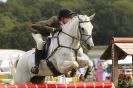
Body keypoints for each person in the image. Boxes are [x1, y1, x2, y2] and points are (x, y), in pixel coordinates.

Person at [30, 8, 75, 74]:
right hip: (37, 30)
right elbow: (43, 26)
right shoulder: (54, 19)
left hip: (46, 34)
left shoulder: (66, 25)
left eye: (70, 17)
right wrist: (54, 29)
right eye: (68, 17)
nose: (70, 19)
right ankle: (36, 66)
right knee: (40, 43)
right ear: (62, 18)